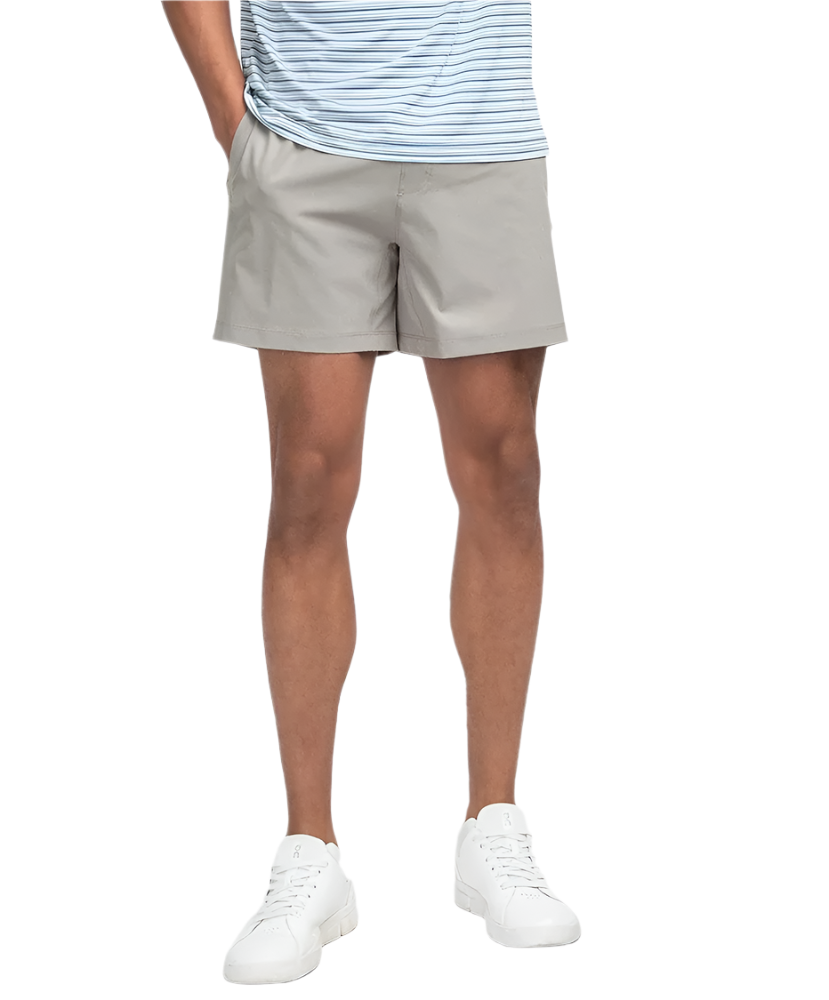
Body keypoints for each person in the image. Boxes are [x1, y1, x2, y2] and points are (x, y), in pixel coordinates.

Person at [162, 0, 580, 984]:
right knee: (306, 484)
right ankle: (309, 852)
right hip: (301, 144)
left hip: (479, 139)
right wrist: (236, 128)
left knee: (504, 472)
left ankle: (492, 823)